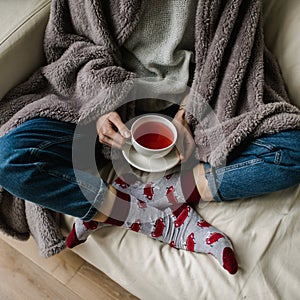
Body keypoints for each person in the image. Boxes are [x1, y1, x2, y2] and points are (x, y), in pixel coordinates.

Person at [0, 0, 299, 276]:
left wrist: (189, 113)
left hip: (188, 99)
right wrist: (101, 106)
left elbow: (233, 46)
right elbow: (71, 41)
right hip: (106, 96)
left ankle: (165, 192)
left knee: (293, 150)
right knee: (9, 157)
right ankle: (160, 222)